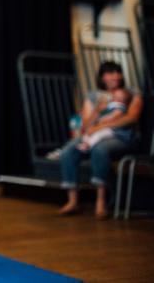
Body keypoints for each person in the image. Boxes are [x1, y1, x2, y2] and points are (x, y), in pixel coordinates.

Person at [59, 62, 143, 219]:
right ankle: (73, 201)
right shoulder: (93, 96)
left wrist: (100, 127)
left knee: (100, 149)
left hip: (123, 137)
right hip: (95, 134)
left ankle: (101, 201)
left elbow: (131, 118)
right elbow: (86, 125)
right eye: (111, 73)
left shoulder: (131, 92)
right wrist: (98, 110)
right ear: (102, 77)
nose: (116, 76)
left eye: (118, 72)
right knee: (69, 151)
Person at [76, 88, 132, 152]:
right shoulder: (111, 104)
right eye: (115, 96)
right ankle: (85, 142)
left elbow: (116, 114)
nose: (116, 98)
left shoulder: (120, 106)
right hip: (102, 126)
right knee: (87, 134)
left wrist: (104, 119)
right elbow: (102, 112)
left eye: (119, 97)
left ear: (124, 100)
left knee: (99, 135)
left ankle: (88, 145)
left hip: (113, 130)